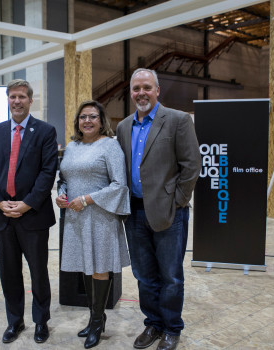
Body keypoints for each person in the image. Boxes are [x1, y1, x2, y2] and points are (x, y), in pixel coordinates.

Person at [116, 68, 202, 350]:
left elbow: (191, 166)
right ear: (131, 93)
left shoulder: (177, 120)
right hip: (135, 213)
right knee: (143, 275)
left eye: (146, 87)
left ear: (157, 90)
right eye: (136, 88)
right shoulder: (123, 127)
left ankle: (172, 328)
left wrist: (177, 200)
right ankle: (153, 324)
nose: (141, 93)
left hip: (169, 213)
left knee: (171, 276)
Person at [0, 79, 58, 344]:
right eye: (13, 97)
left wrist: (27, 203)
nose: (17, 101)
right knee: (9, 273)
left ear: (30, 100)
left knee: (38, 272)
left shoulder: (45, 132)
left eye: (22, 97)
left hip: (33, 216)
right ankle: (15, 321)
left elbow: (48, 172)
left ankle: (41, 321)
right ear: (8, 99)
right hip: (3, 216)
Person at [56, 100, 130, 349]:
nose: (87, 121)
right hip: (76, 217)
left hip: (100, 217)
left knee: (99, 267)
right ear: (77, 121)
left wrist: (87, 199)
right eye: (83, 116)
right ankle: (95, 317)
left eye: (93, 117)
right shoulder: (72, 146)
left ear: (102, 121)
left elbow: (119, 184)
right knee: (85, 268)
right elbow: (64, 177)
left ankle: (97, 323)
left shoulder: (110, 146)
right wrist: (62, 193)